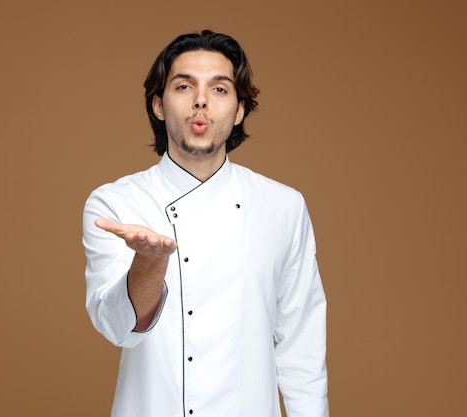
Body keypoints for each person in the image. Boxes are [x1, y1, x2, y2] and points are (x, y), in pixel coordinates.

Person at [83, 30, 329, 417]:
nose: (200, 100)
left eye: (219, 89)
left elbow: (302, 348)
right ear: (158, 105)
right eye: (183, 86)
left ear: (240, 110)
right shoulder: (115, 203)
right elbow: (116, 328)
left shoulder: (283, 206)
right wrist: (148, 264)